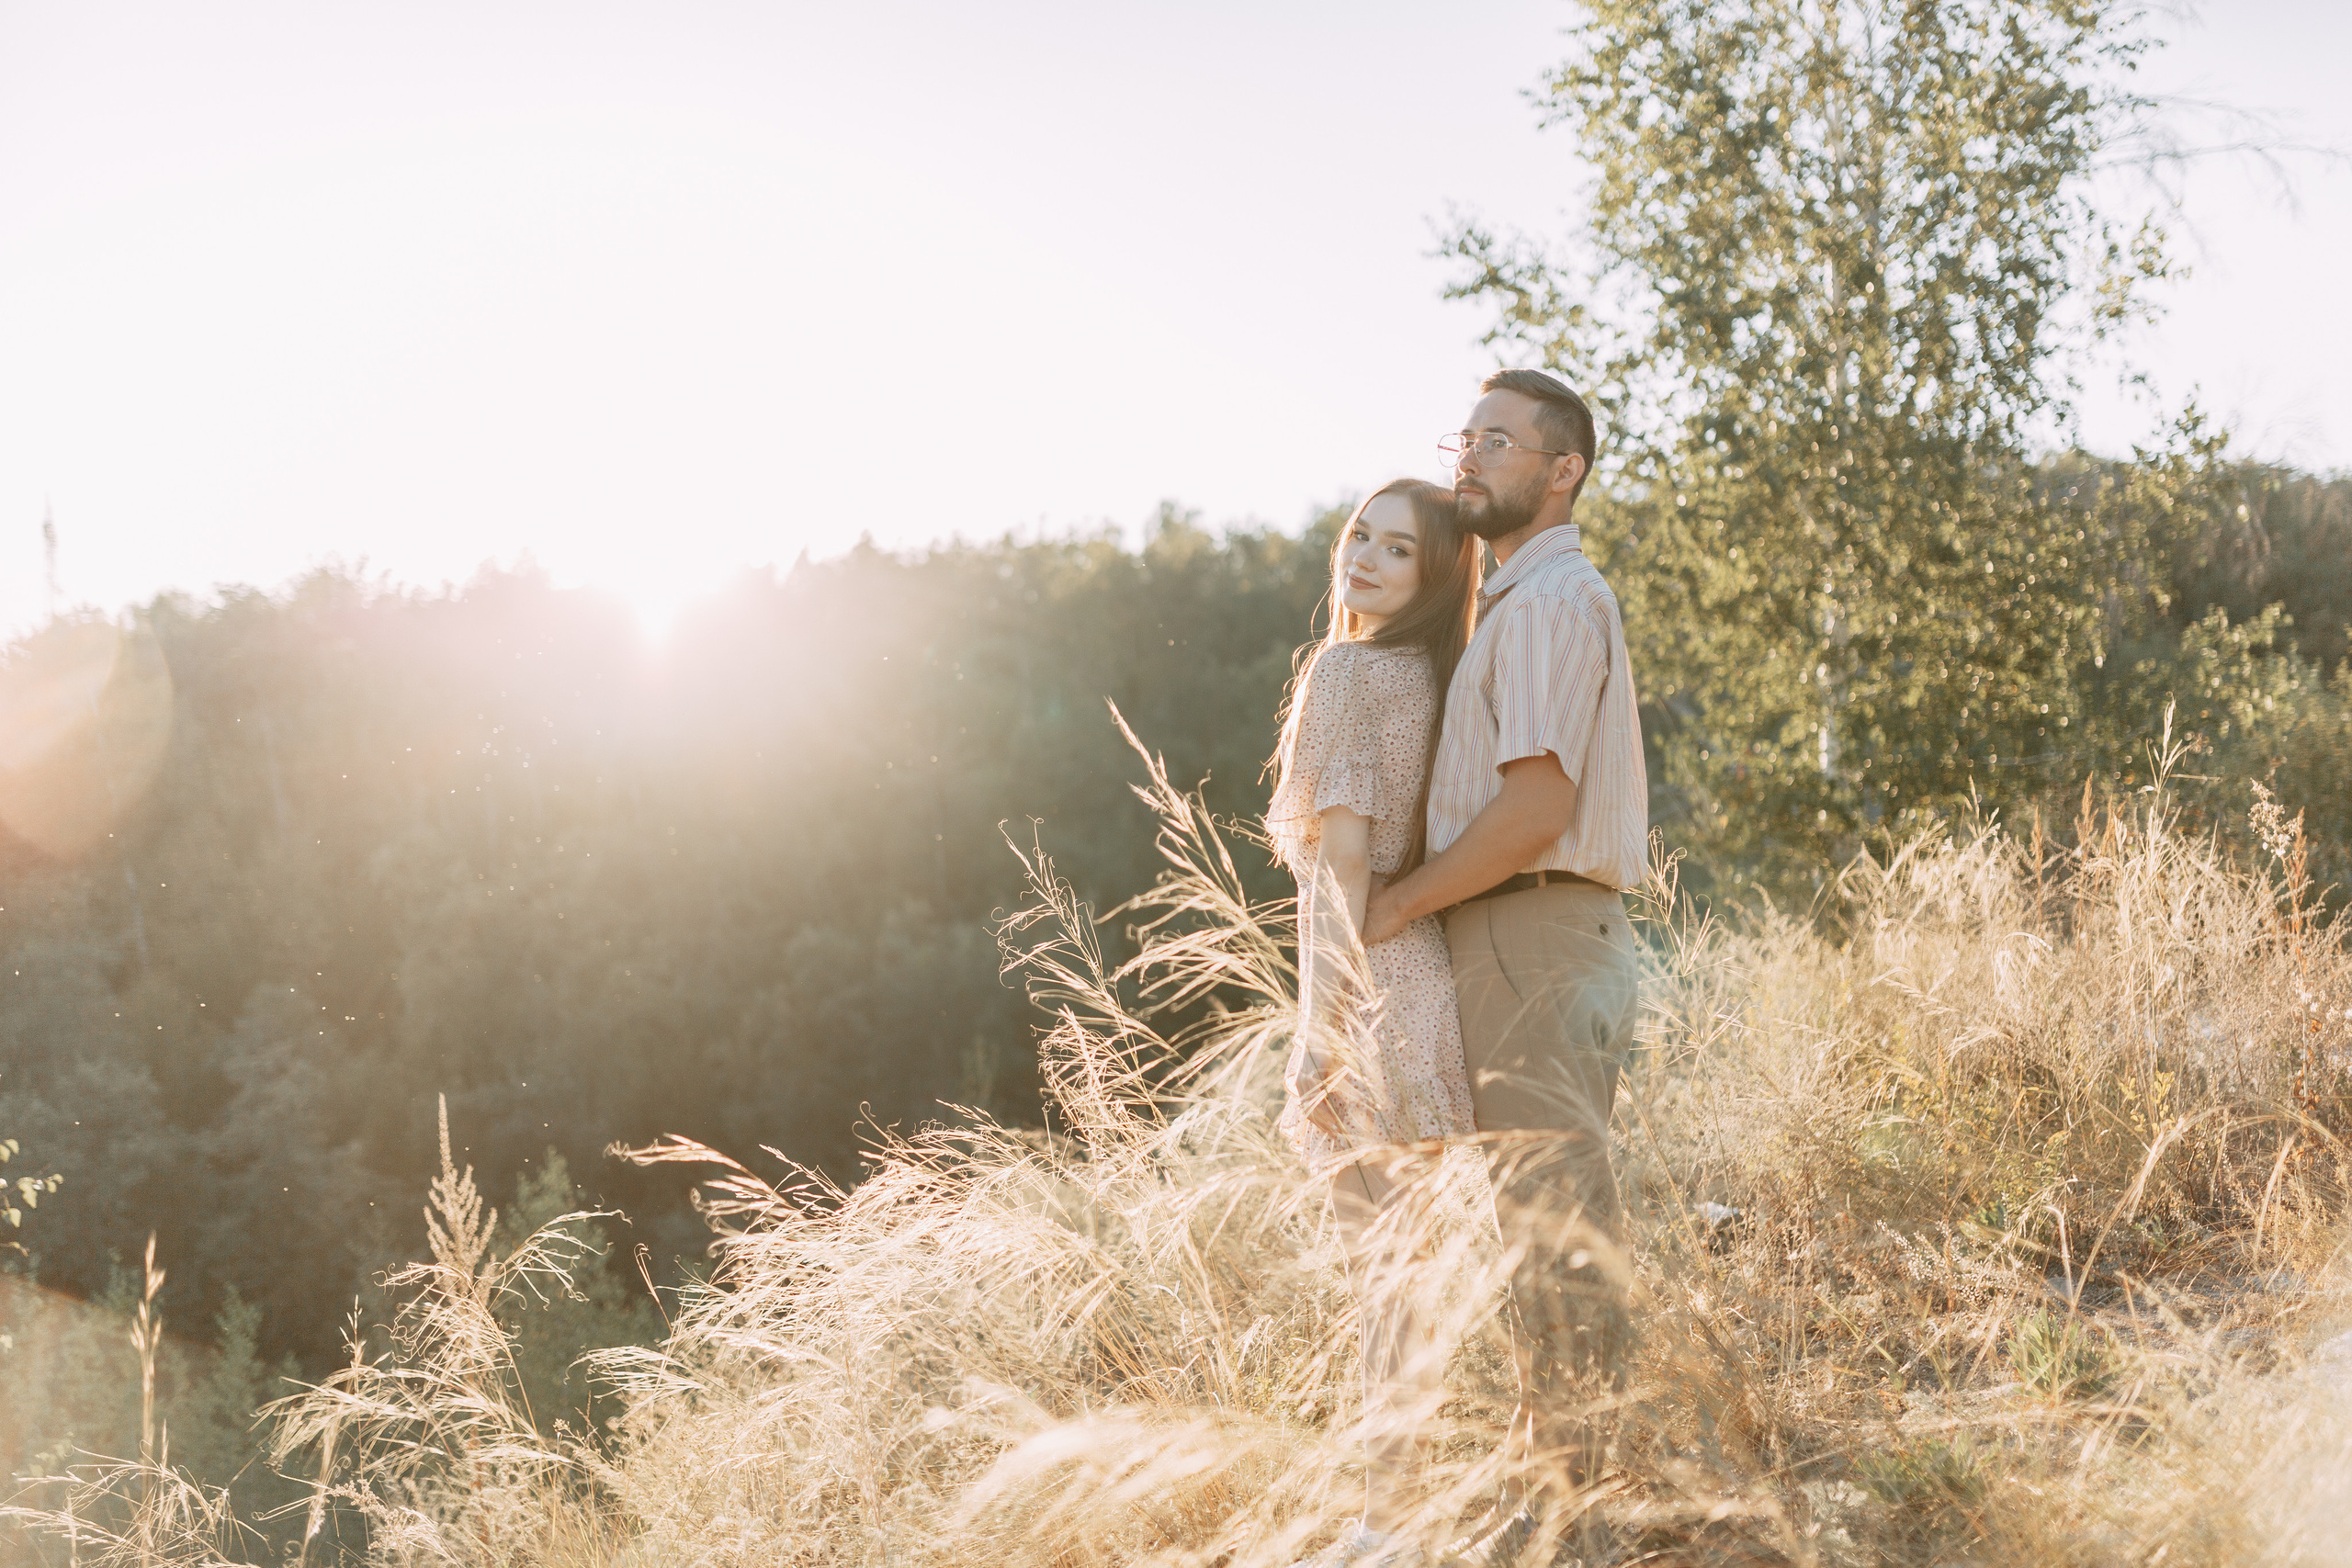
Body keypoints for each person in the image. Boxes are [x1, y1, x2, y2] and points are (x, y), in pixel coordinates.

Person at [1363, 368, 1648, 1564]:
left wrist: (1395, 904)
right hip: (1525, 938)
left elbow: (1535, 811)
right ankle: (1555, 1505)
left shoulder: (1543, 606)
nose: (1468, 457)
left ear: (1563, 468)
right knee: (1538, 1232)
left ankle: (1582, 1525)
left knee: (1556, 1242)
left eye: (1497, 439)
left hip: (1533, 931)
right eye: (1463, 435)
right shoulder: (1516, 598)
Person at [1268, 477, 1481, 1568]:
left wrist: (1319, 1034)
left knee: (1383, 1287)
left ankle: (1389, 1526)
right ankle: (1405, 1512)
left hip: (1374, 993)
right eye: (1361, 536)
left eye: (1397, 551)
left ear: (1433, 576)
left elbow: (1341, 871)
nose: (1363, 558)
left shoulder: (1345, 671)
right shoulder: (1437, 678)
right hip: (1430, 983)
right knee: (1414, 1277)